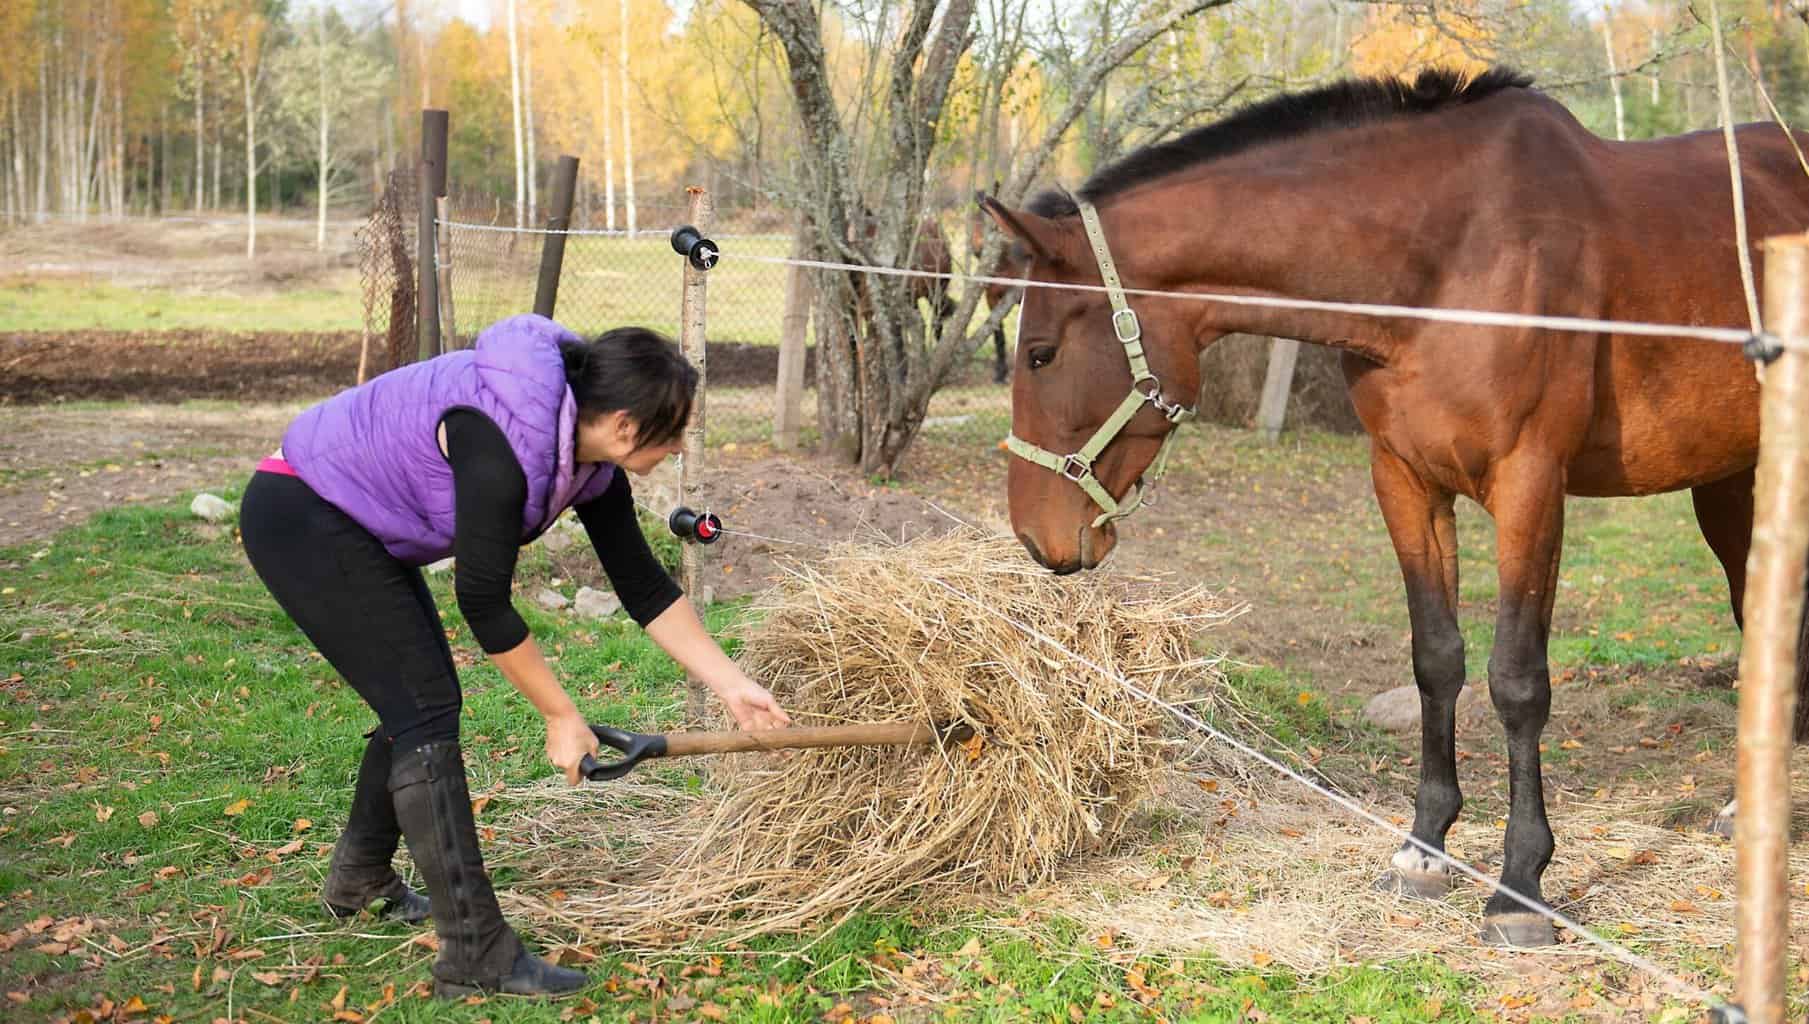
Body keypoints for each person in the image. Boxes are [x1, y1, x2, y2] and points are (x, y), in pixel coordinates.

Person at [239, 314, 791, 999]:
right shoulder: (501, 442)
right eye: (672, 432)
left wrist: (731, 684)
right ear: (624, 426)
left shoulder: (582, 460)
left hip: (355, 520)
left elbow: (643, 586)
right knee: (425, 711)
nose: (678, 448)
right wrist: (560, 714)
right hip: (304, 514)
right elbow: (483, 600)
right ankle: (476, 955)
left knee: (417, 698)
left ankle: (360, 879)